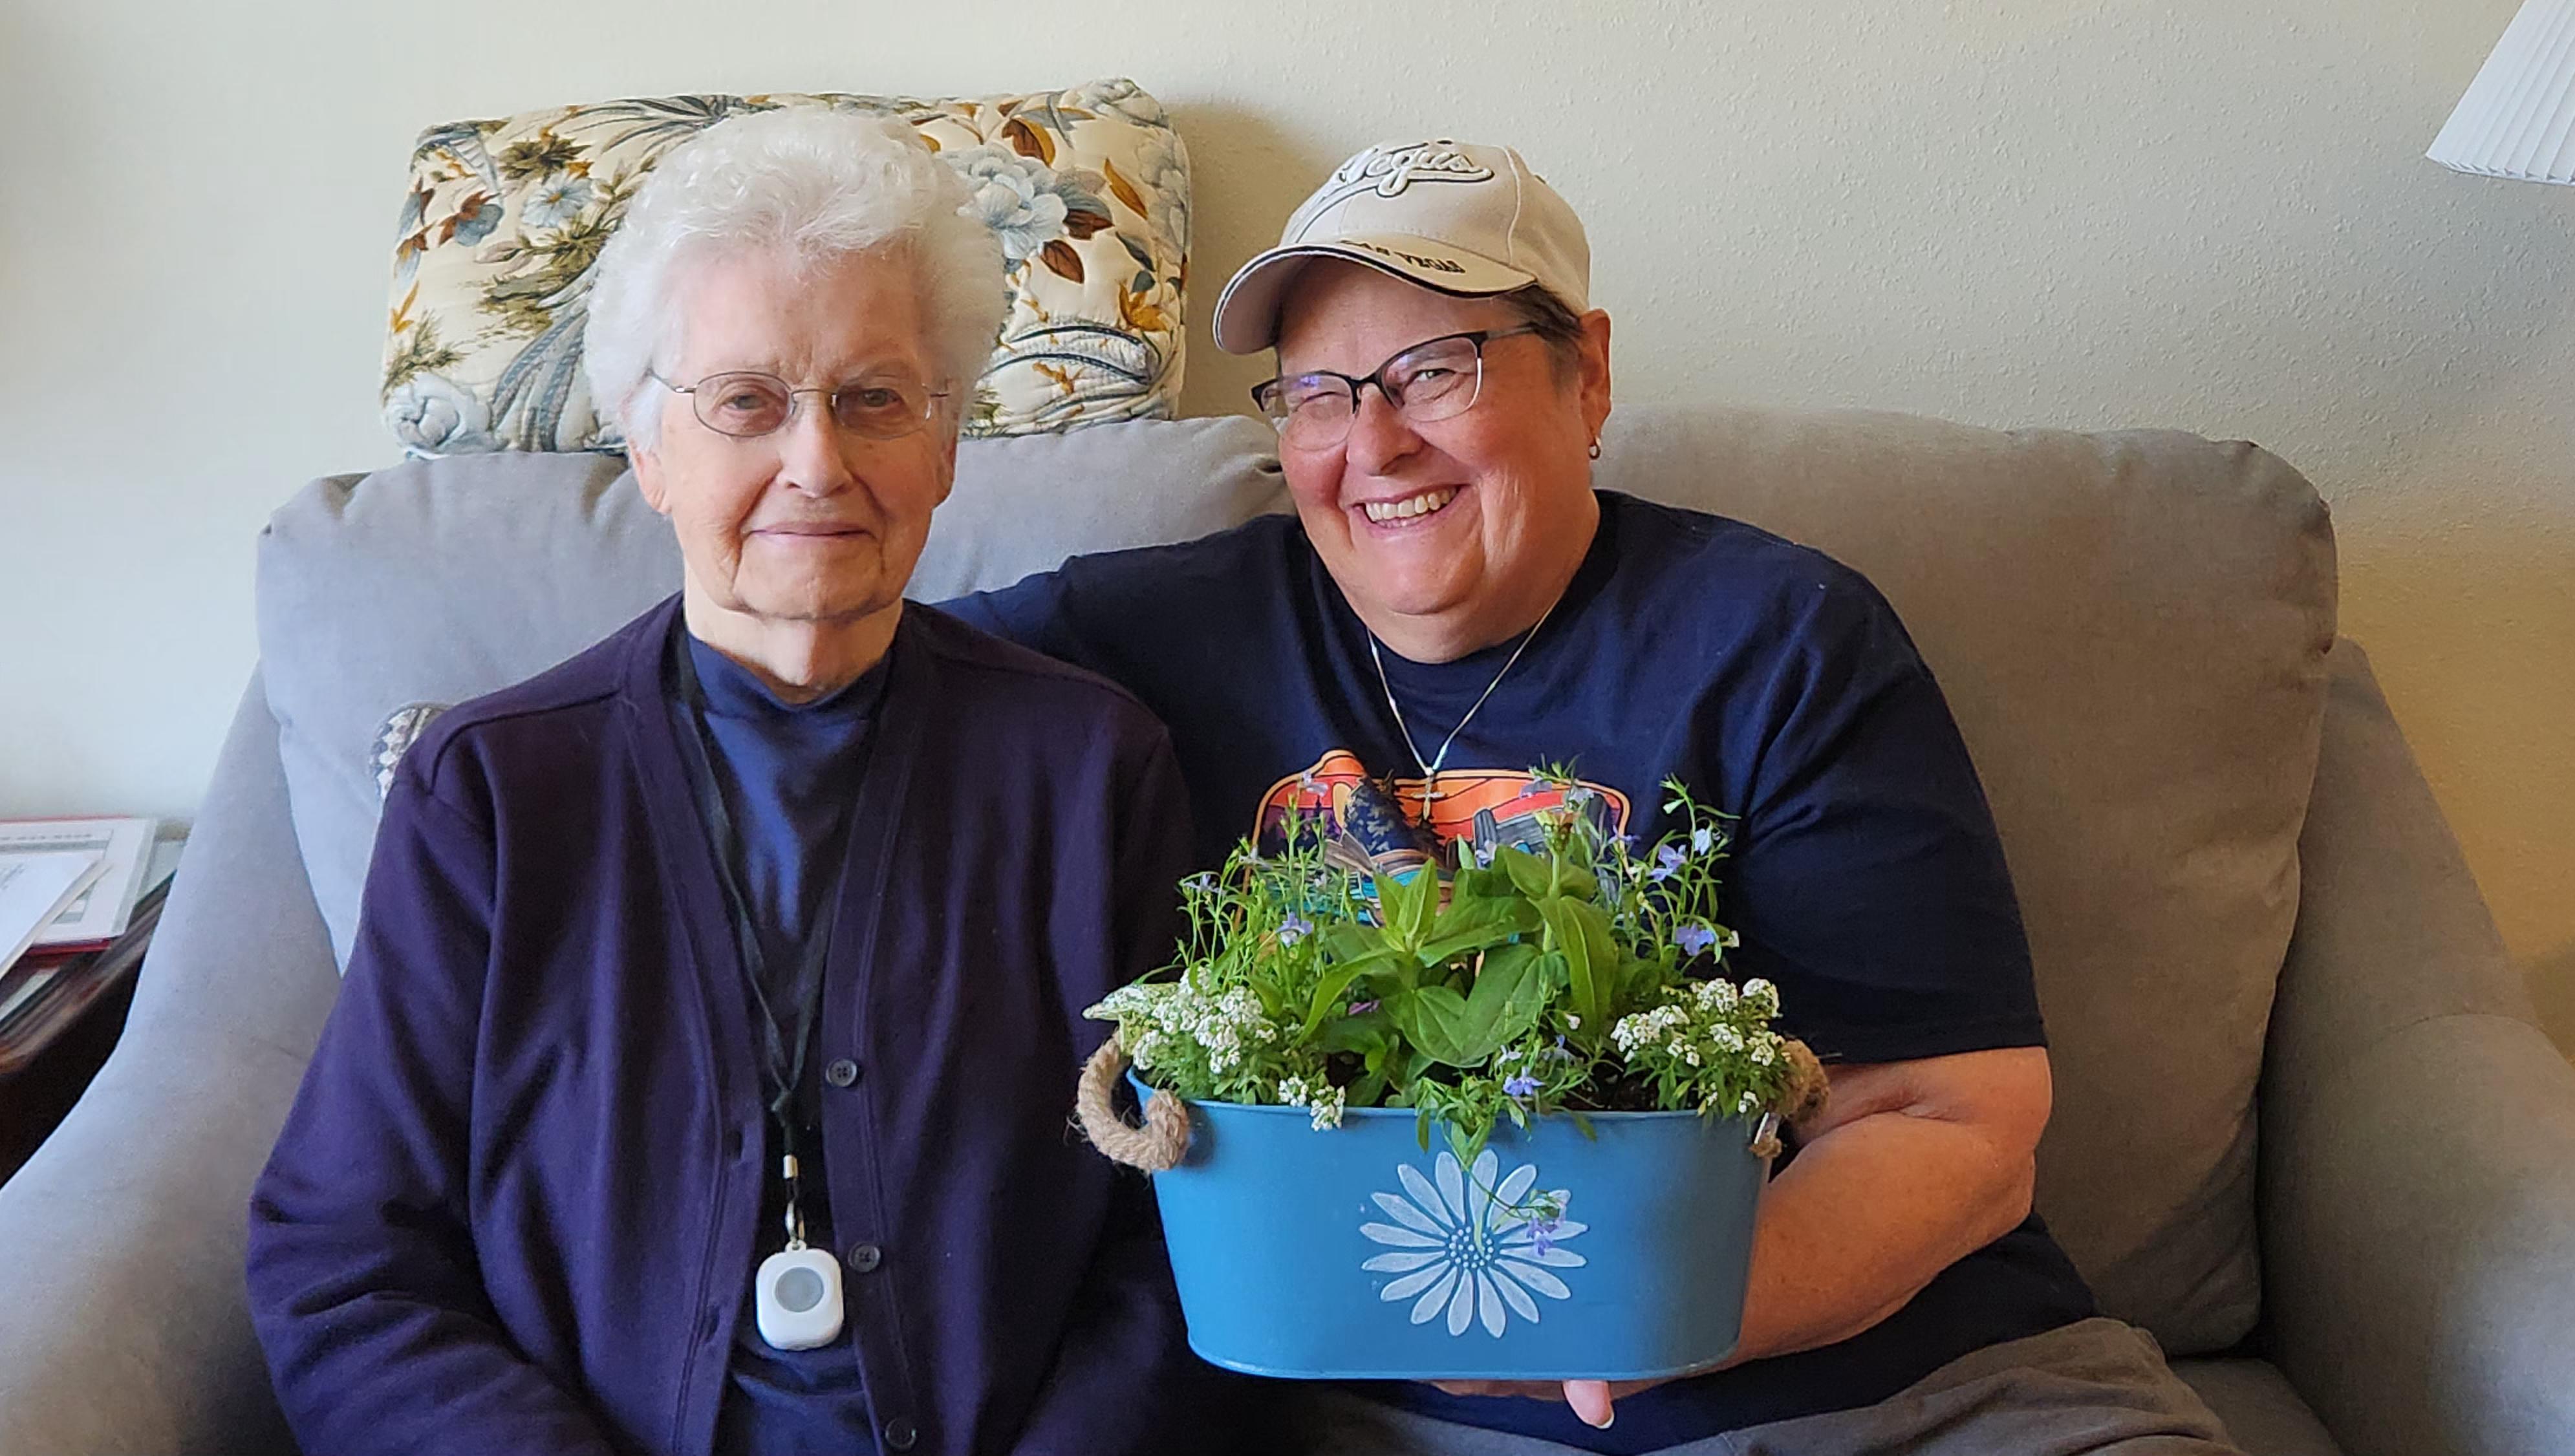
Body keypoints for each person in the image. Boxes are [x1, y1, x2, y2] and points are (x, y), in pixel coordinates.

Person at [942, 138, 2246, 1455]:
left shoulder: (1772, 640)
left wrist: (1619, 1316)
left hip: (1899, 1390)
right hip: (1407, 1416)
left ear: (1589, 375)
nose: (1374, 446)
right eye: (1319, 395)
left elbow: (1952, 1117)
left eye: (1433, 372)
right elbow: (825, 672)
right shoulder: (1168, 626)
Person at [247, 109, 1216, 1456]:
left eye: (874, 397)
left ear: (942, 448)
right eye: (746, 401)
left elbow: (1191, 1231)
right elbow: (342, 1252)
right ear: (651, 451)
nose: (815, 462)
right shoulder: (491, 794)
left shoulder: (1092, 772)